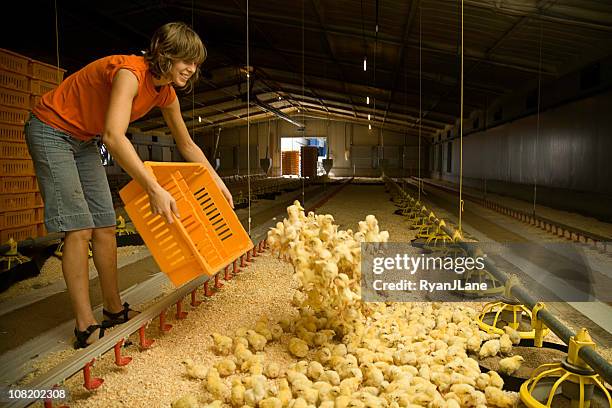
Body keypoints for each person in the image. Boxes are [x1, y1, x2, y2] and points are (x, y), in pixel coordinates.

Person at [24, 22, 233, 349]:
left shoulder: (165, 93)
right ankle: (84, 326)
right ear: (165, 55)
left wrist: (216, 181)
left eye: (196, 63)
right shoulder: (129, 73)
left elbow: (187, 145)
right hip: (51, 129)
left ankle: (112, 308)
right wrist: (153, 187)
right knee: (79, 228)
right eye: (186, 60)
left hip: (82, 139)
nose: (192, 69)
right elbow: (113, 136)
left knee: (105, 225)